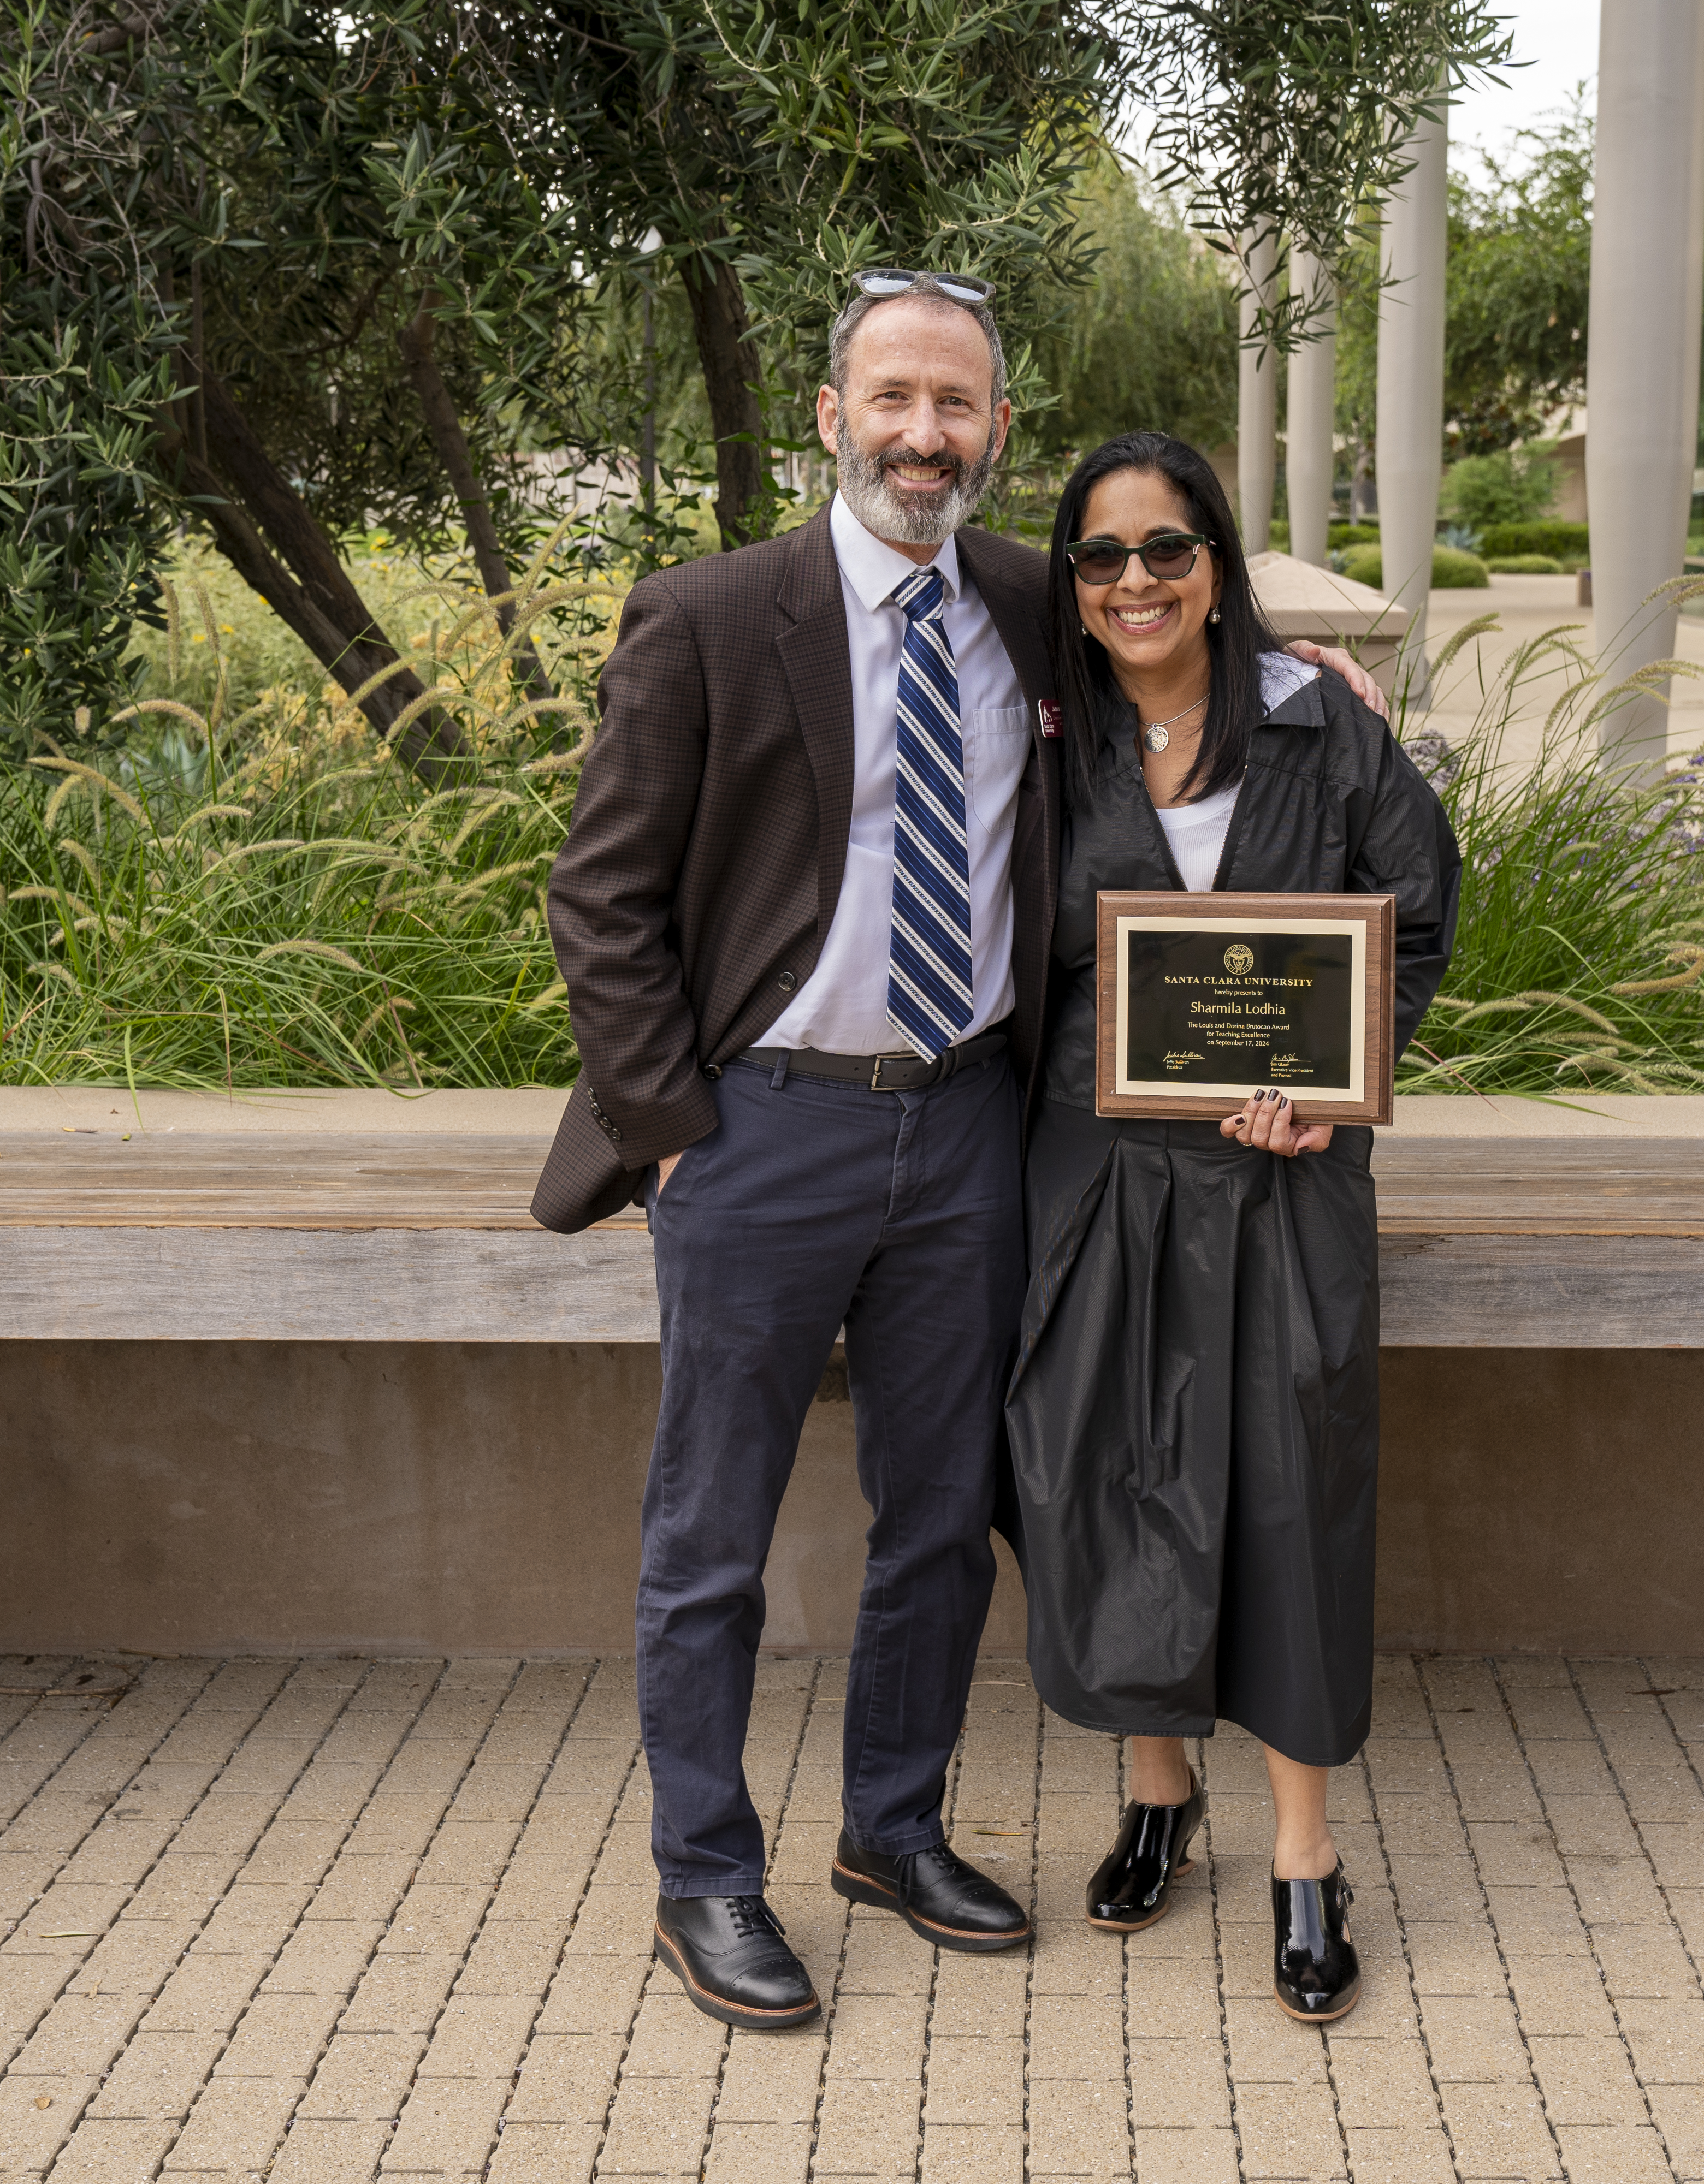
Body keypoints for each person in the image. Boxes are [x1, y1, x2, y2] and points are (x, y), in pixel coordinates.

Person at [535, 277, 1382, 2033]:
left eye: (961, 406)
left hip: (970, 1126)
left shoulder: (1024, 596)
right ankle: (705, 1878)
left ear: (996, 430)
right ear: (833, 412)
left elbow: (1182, 622)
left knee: (938, 1518)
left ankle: (892, 1830)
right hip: (763, 1126)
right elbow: (599, 897)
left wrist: (1308, 669)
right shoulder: (709, 615)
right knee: (714, 1531)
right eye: (896, 397)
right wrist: (674, 1129)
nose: (927, 433)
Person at [1003, 429, 1458, 2026]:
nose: (1137, 581)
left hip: (1285, 1177)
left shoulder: (1317, 720)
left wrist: (1340, 1084)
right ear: (1073, 580)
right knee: (1106, 1471)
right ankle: (1155, 1788)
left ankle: (1308, 1858)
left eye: (1169, 549)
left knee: (1289, 1486)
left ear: (1218, 566)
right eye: (1105, 555)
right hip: (1102, 1166)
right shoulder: (1042, 737)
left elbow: (1415, 910)